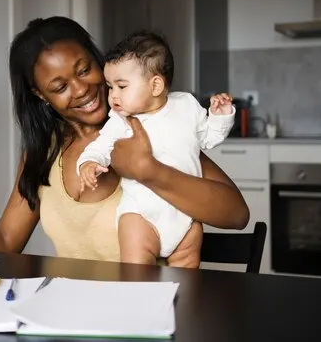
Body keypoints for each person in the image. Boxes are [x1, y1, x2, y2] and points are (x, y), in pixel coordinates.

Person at [0, 17, 249, 264]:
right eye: (59, 87)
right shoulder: (43, 152)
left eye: (85, 70)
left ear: (99, 61)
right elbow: (6, 239)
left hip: (152, 312)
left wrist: (148, 170)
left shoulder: (147, 128)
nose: (82, 89)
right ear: (41, 96)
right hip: (74, 314)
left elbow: (236, 214)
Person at [77, 31, 234, 267]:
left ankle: (182, 303)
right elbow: (100, 146)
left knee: (187, 270)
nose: (113, 96)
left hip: (185, 214)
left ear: (156, 85)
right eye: (110, 87)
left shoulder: (187, 106)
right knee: (136, 273)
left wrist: (220, 117)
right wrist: (88, 163)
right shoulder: (120, 121)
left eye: (121, 86)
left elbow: (210, 138)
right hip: (141, 215)